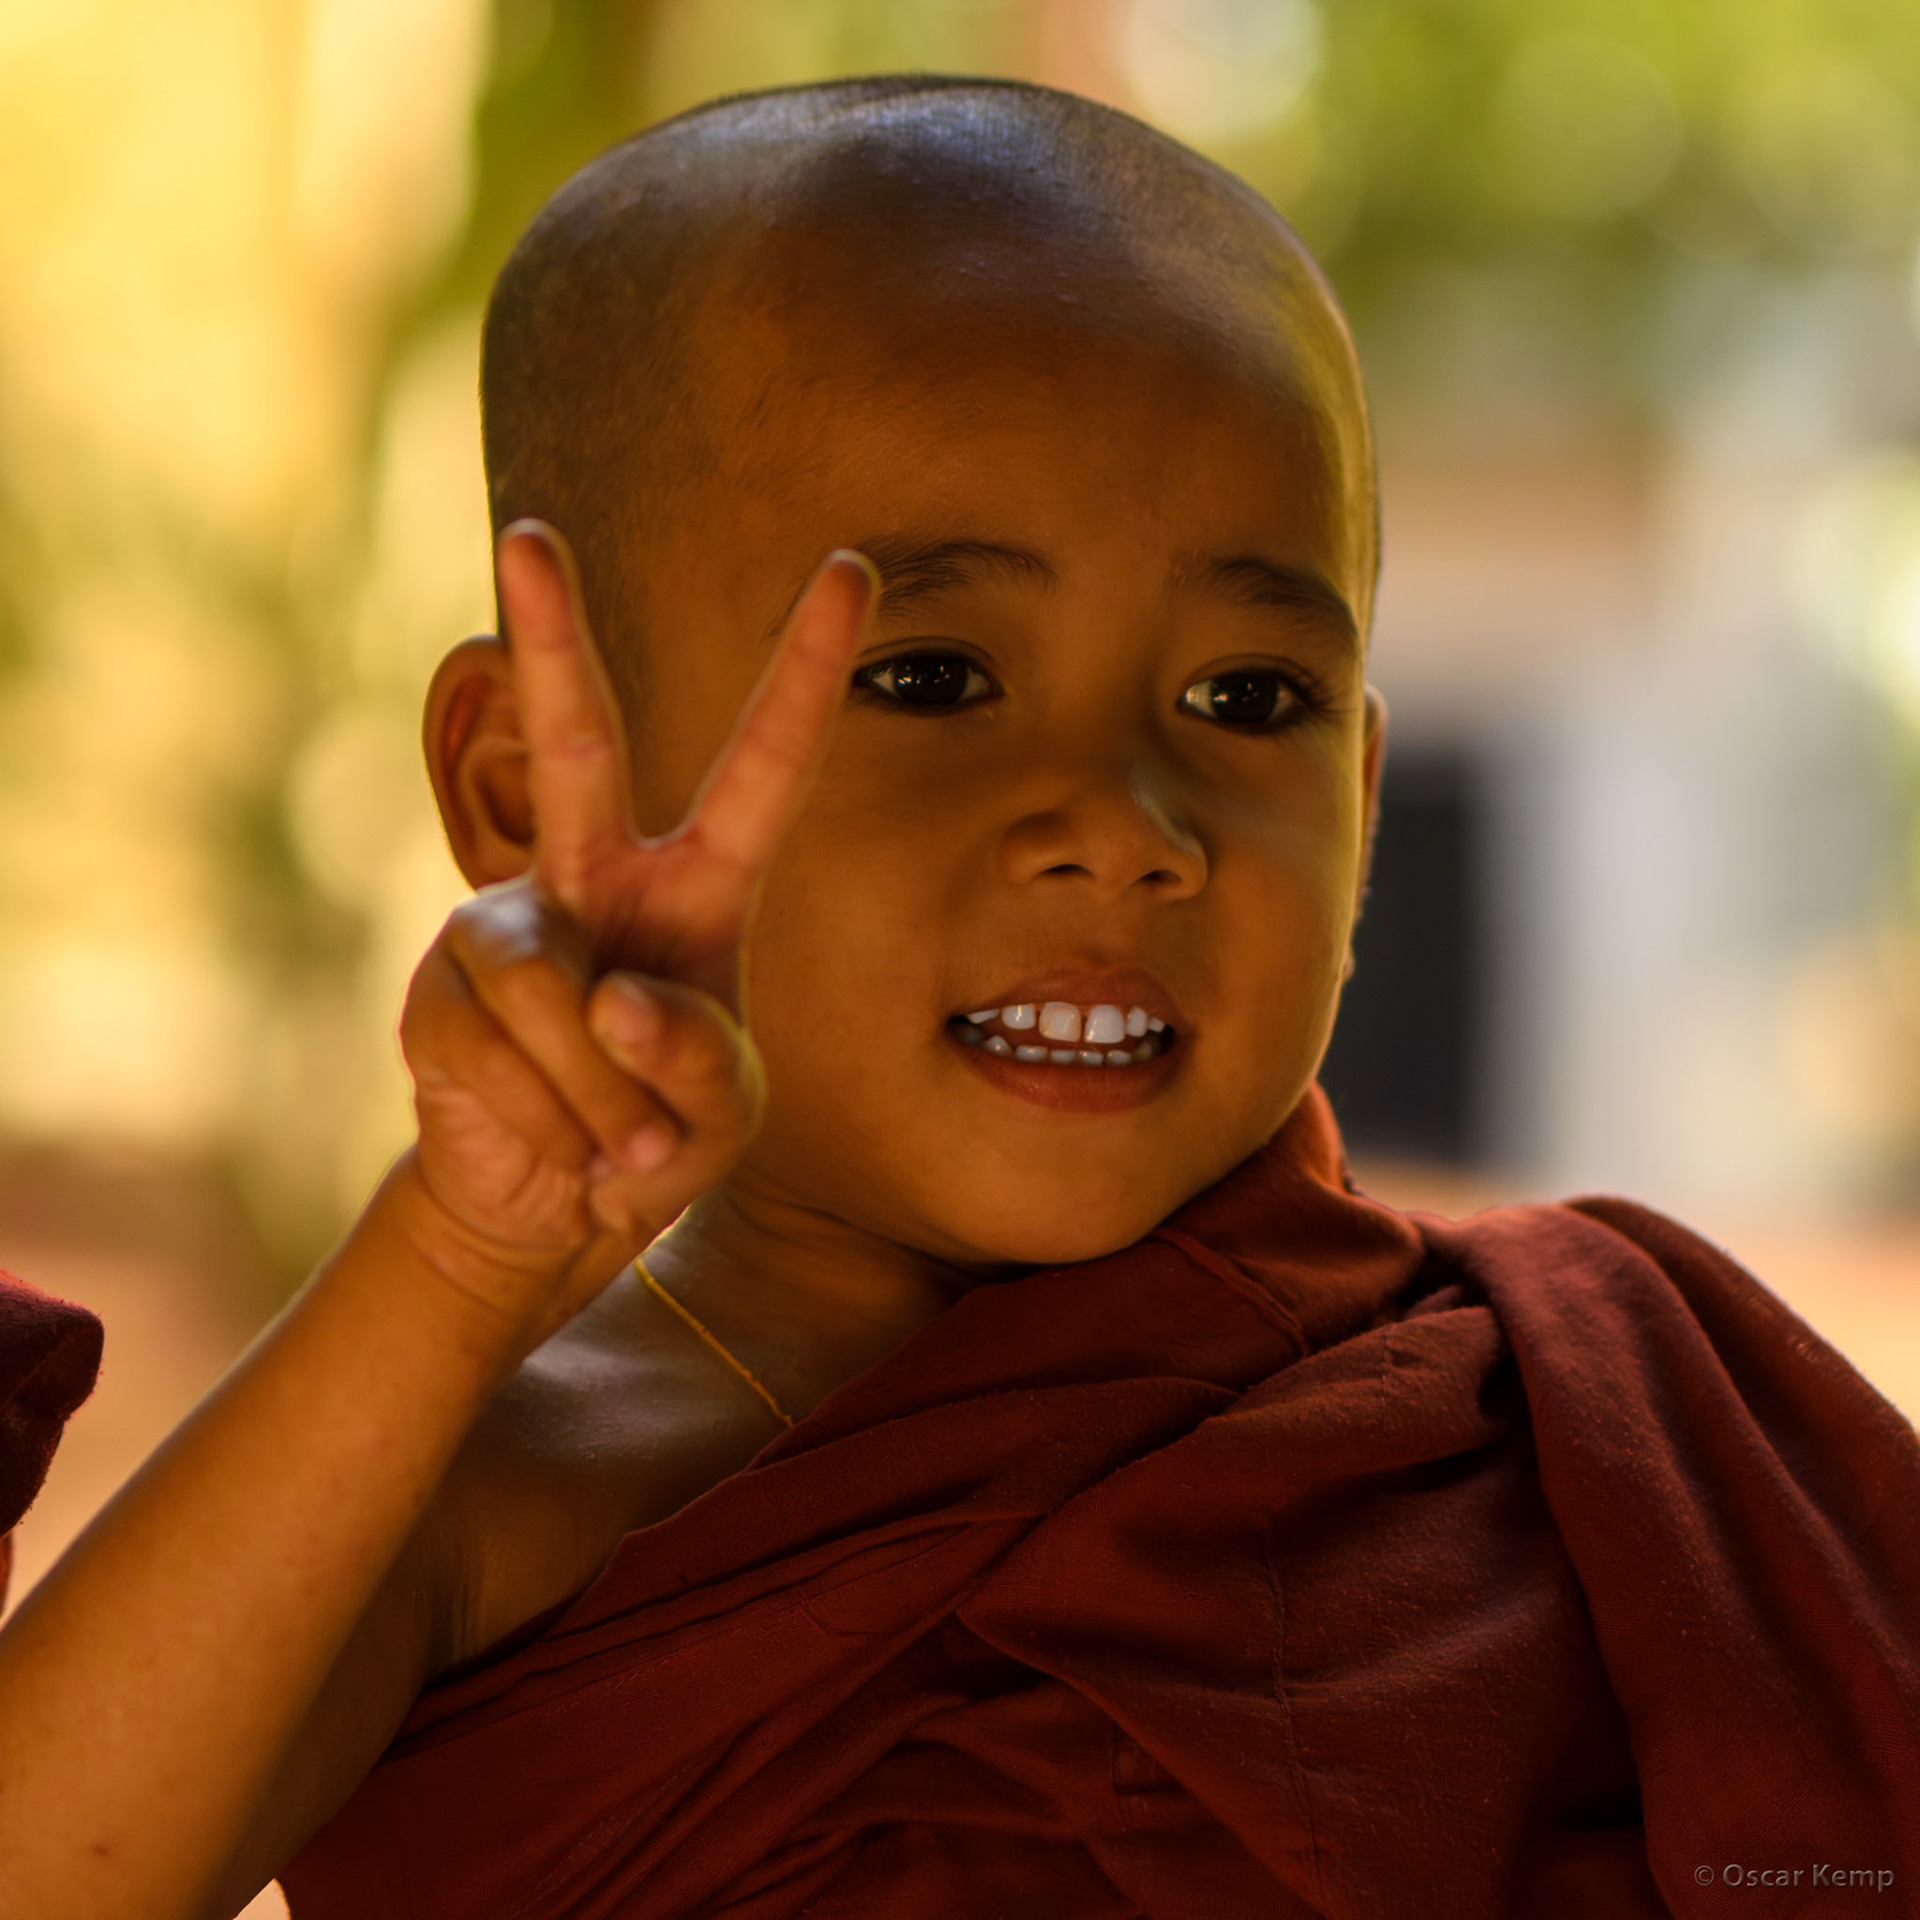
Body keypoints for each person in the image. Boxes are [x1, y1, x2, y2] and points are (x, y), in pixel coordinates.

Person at [1, 75, 1916, 1920]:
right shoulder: (492, 1501)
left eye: (1248, 698)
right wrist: (451, 1260)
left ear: (1359, 800)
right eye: (929, 678)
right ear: (519, 784)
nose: (1126, 827)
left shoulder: (1595, 1434)